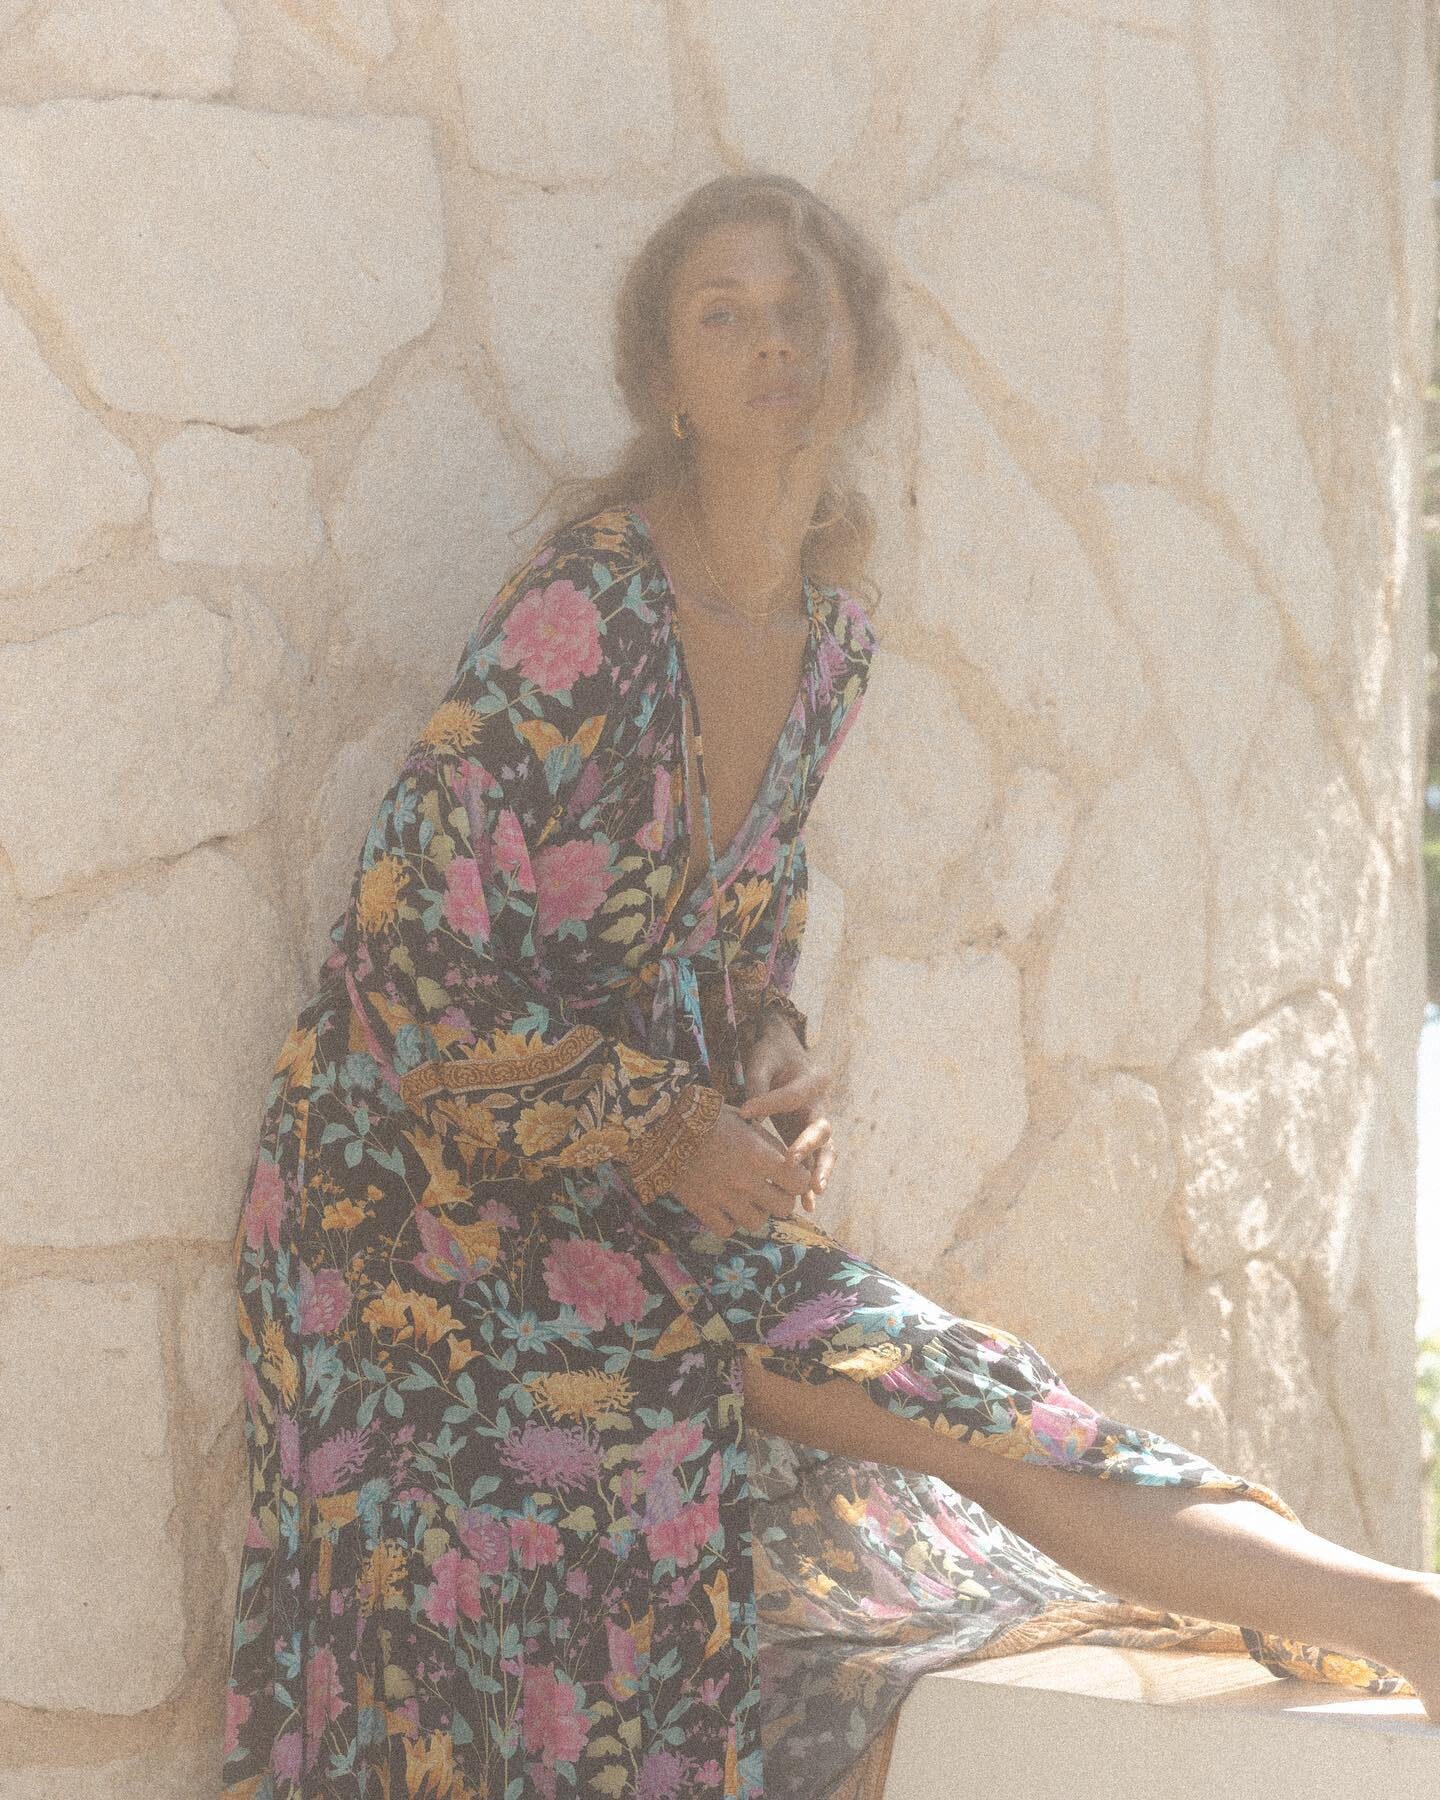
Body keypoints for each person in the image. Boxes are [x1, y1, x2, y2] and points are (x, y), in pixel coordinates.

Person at [222, 171, 1438, 1800]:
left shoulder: (830, 639)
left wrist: (776, 1055)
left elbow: (739, 936)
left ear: (857, 353)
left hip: (646, 1189)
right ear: (666, 380)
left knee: (963, 1388)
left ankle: (1408, 1617)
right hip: (415, 1212)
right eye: (722, 314)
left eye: (800, 309)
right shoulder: (588, 609)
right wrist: (667, 1129)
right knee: (630, 1526)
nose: (770, 343)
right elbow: (406, 954)